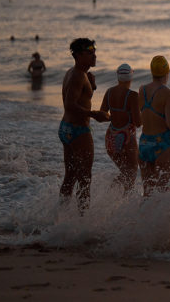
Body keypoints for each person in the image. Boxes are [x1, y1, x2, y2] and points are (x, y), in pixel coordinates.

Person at [59, 38, 110, 212]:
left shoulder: (76, 73)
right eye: (90, 53)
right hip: (78, 130)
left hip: (66, 128)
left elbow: (80, 96)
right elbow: (69, 104)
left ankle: (61, 214)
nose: (94, 56)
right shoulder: (77, 76)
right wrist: (94, 114)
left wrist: (92, 85)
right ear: (79, 55)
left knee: (70, 176)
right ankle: (82, 220)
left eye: (94, 51)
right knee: (85, 179)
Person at [138, 56, 170, 195]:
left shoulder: (142, 90)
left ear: (151, 71)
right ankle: (165, 218)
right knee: (165, 194)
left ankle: (142, 217)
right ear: (167, 72)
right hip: (163, 145)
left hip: (145, 143)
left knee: (147, 193)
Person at [99, 63, 142, 194]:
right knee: (132, 171)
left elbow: (102, 115)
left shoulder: (109, 91)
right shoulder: (133, 96)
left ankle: (110, 193)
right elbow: (138, 123)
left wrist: (115, 116)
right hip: (127, 137)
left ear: (117, 76)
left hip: (111, 137)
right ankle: (125, 202)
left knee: (125, 172)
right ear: (131, 77)